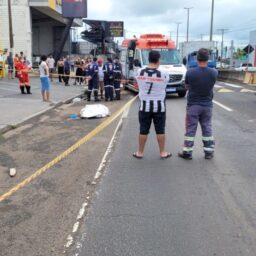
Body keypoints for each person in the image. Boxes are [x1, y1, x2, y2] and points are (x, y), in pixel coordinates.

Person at [178, 48, 218, 160]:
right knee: (207, 128)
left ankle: (187, 153)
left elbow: (186, 86)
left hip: (193, 106)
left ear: (197, 58)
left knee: (190, 129)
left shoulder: (190, 72)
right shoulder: (214, 72)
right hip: (207, 106)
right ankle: (209, 152)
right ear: (208, 58)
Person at [133, 50, 171, 159]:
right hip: (159, 106)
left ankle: (140, 152)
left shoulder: (139, 71)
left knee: (143, 130)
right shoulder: (164, 72)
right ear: (158, 60)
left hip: (144, 106)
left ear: (149, 59)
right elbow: (165, 84)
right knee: (160, 130)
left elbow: (138, 85)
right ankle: (163, 152)